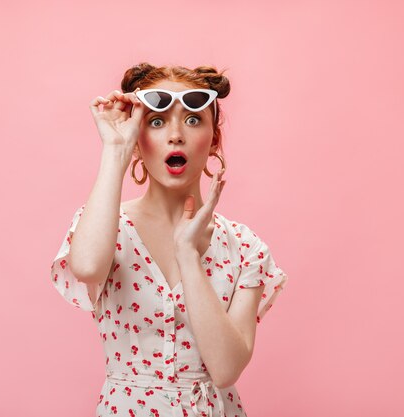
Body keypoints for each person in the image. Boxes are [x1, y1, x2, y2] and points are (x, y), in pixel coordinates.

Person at [50, 62, 289, 417]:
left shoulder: (244, 246)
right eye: (157, 121)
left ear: (214, 141)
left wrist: (187, 254)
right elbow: (86, 266)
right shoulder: (106, 226)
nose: (175, 134)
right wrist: (115, 148)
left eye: (193, 119)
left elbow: (225, 370)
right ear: (137, 139)